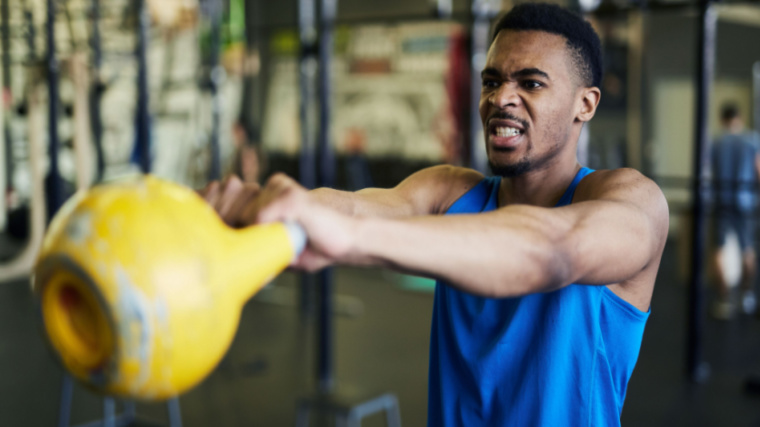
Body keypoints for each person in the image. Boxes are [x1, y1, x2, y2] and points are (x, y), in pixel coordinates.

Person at [202, 3, 668, 426]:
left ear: (584, 104)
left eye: (530, 83)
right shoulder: (450, 191)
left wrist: (348, 236)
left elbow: (555, 251)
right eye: (491, 81)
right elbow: (359, 205)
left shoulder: (629, 201)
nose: (500, 98)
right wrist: (257, 205)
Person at [710, 103, 760, 319]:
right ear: (738, 117)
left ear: (723, 119)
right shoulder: (751, 140)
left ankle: (724, 299)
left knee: (719, 249)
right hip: (745, 201)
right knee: (747, 248)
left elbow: (710, 173)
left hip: (722, 200)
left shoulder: (717, 142)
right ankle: (747, 296)